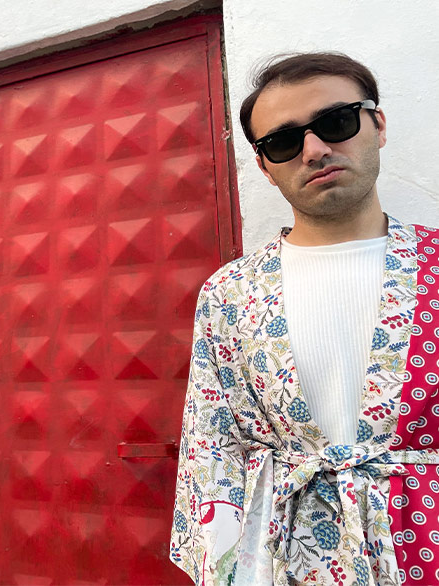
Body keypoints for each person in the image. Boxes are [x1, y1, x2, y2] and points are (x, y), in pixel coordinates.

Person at [170, 52, 439, 585]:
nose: (314, 150)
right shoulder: (232, 294)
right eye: (284, 142)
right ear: (265, 167)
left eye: (336, 122)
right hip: (294, 560)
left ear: (378, 125)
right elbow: (212, 451)